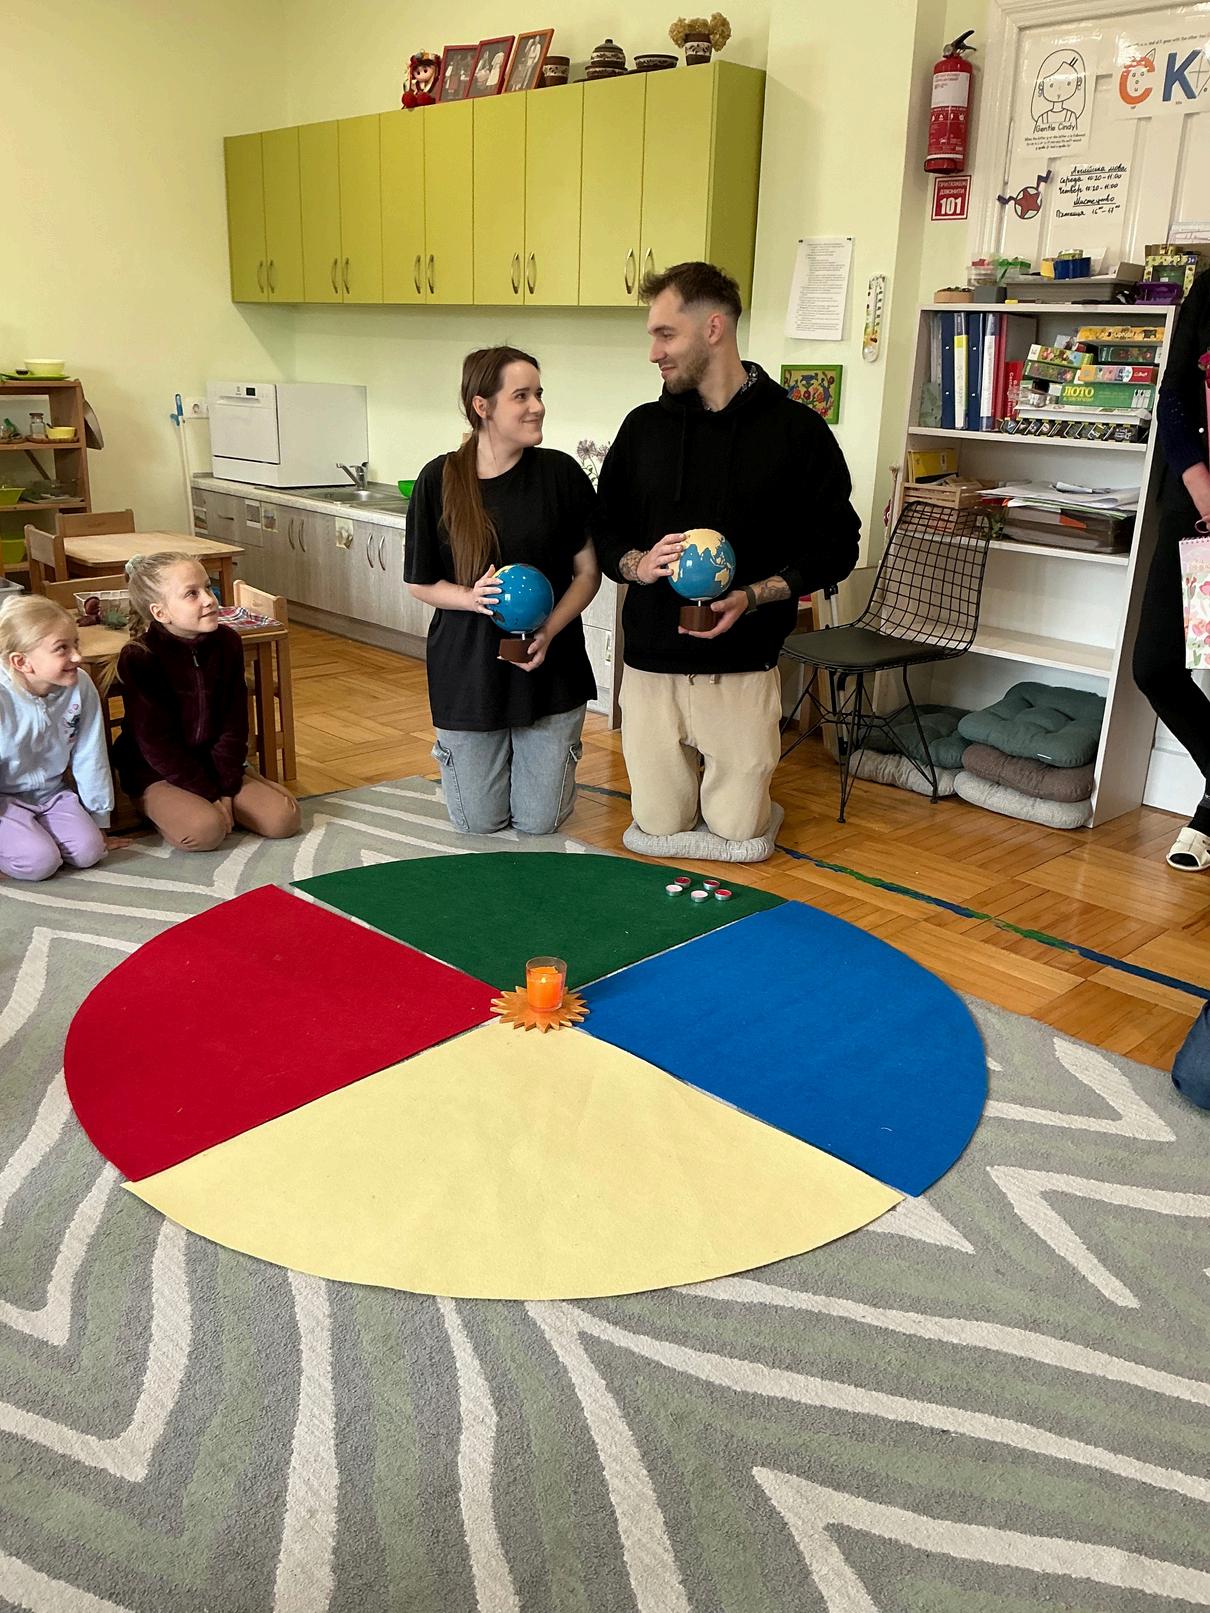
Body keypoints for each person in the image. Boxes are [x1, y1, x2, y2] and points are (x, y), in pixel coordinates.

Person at [593, 260, 860, 850]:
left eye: (666, 335)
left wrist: (755, 595)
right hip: (651, 667)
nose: (654, 353)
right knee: (660, 826)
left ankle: (743, 798)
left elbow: (838, 545)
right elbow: (603, 529)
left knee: (739, 830)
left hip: (744, 666)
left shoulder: (797, 432)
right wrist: (636, 564)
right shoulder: (642, 430)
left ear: (713, 328)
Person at [406, 346, 600, 835]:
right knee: (478, 821)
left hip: (551, 673)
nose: (537, 406)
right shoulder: (438, 479)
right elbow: (420, 583)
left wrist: (549, 632)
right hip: (469, 674)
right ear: (482, 406)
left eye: (539, 394)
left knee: (539, 822)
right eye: (522, 396)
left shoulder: (561, 475)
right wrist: (471, 598)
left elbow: (587, 574)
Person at [114, 553, 301, 851]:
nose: (209, 599)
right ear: (160, 612)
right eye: (192, 594)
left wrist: (226, 788)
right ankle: (155, 807)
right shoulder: (139, 657)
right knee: (205, 832)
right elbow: (158, 746)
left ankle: (226, 799)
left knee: (283, 821)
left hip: (217, 764)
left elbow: (234, 723)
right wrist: (209, 795)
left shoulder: (227, 642)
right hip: (159, 772)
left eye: (207, 587)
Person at [1133, 268, 1210, 870]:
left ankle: (1209, 810)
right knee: (1157, 665)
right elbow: (1174, 394)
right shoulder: (1208, 289)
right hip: (1195, 507)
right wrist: (1199, 483)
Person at [0, 594, 113, 881]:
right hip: (3, 800)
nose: (77, 656)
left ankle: (36, 834)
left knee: (90, 851)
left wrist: (99, 818)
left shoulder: (80, 685)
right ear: (21, 661)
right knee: (39, 863)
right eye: (62, 648)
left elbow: (91, 754)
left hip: (51, 793)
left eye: (76, 643)